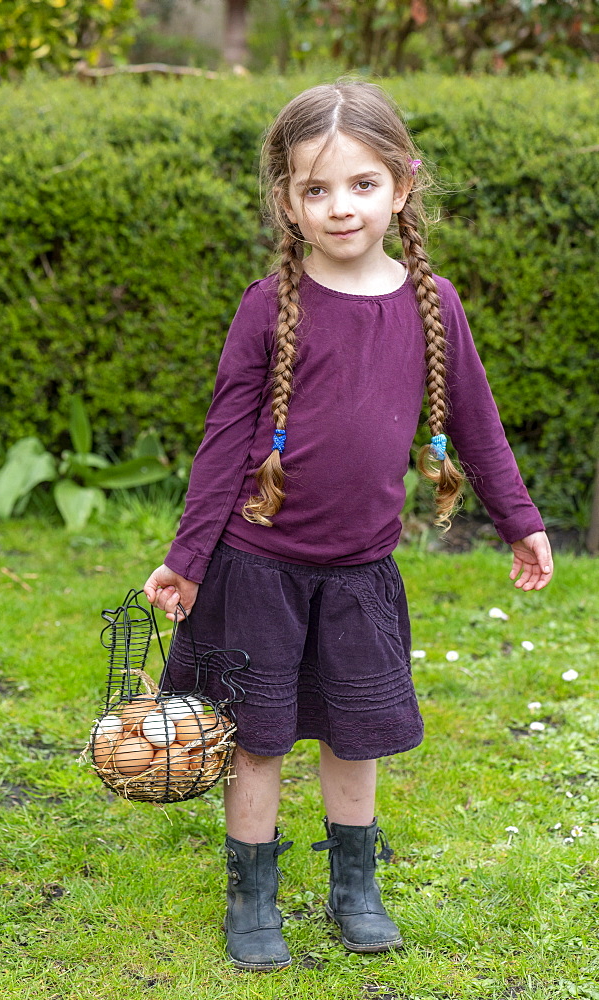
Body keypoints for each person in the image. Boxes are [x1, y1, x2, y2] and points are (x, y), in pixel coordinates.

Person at [144, 81, 553, 972]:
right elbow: (222, 442)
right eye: (316, 189)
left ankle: (353, 887)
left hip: (362, 573)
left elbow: (476, 427)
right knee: (255, 740)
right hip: (256, 567)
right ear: (287, 200)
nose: (340, 207)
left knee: (354, 733)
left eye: (361, 185)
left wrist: (518, 519)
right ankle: (251, 897)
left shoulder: (432, 305)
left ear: (401, 185)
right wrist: (187, 558)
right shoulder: (268, 306)